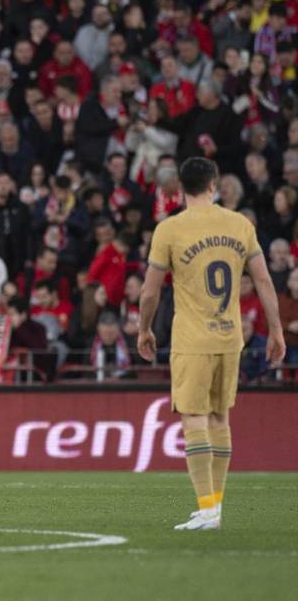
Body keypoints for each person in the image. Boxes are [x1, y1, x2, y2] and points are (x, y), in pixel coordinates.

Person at [136, 157, 285, 531]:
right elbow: (265, 281)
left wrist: (144, 329)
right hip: (230, 336)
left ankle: (207, 509)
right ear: (213, 185)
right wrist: (277, 331)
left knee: (195, 418)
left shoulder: (169, 229)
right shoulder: (239, 224)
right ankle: (213, 508)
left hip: (192, 338)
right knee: (220, 417)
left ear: (179, 190)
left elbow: (150, 291)